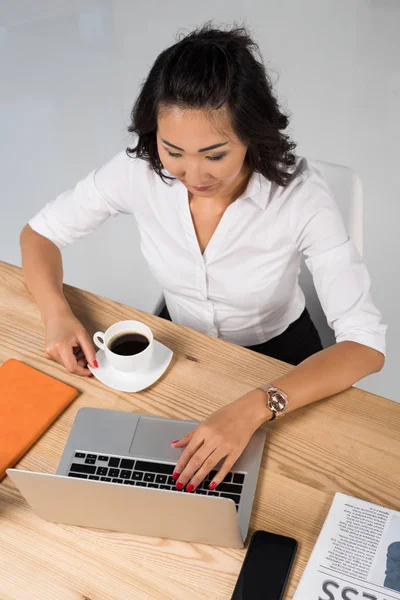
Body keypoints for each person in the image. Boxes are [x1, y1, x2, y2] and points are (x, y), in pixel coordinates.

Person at [20, 23, 386, 495]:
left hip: (278, 360)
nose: (192, 174)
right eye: (173, 151)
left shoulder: (300, 197)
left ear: (252, 135)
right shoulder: (139, 171)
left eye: (215, 154)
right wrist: (56, 312)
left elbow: (366, 345)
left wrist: (257, 404)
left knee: (283, 488)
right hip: (176, 344)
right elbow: (39, 235)